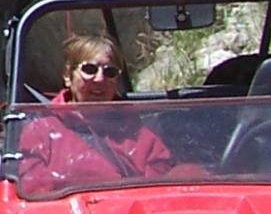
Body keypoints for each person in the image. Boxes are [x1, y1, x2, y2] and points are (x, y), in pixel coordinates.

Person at [16, 32, 175, 193]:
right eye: (89, 69)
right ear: (68, 76)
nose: (100, 79)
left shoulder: (135, 130)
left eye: (110, 72)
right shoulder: (41, 131)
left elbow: (160, 184)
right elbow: (32, 189)